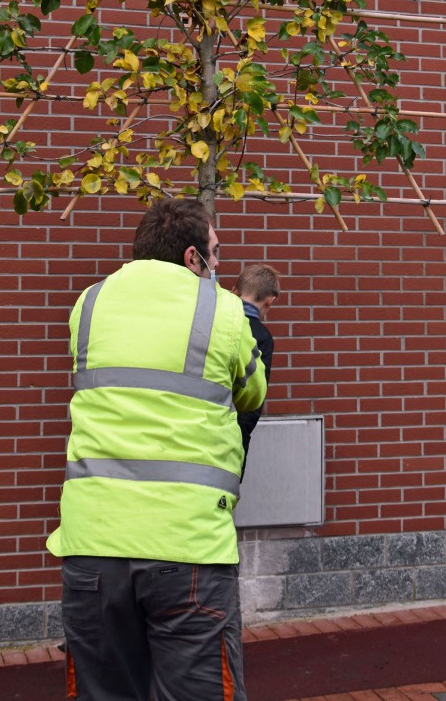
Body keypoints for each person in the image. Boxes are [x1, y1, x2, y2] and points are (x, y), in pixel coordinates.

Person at [47, 199, 267, 701]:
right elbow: (253, 391)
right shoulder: (223, 309)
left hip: (92, 546)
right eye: (215, 252)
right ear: (194, 258)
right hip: (185, 546)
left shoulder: (90, 303)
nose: (218, 263)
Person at [234, 264, 280, 477]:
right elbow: (253, 401)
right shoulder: (261, 337)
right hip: (232, 437)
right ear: (270, 300)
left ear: (235, 290)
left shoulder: (216, 323)